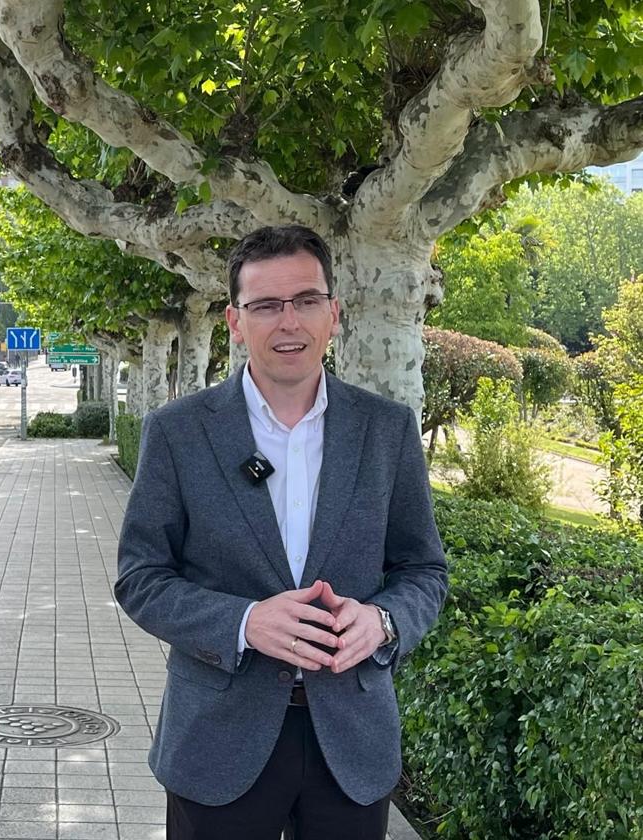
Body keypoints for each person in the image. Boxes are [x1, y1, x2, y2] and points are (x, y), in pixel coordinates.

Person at [115, 225, 448, 840]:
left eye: (306, 301)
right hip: (216, 741)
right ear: (236, 321)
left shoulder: (387, 430)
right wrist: (244, 623)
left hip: (351, 742)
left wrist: (385, 622)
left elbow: (423, 570)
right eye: (266, 305)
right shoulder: (179, 432)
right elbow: (141, 578)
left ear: (334, 314)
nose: (287, 321)